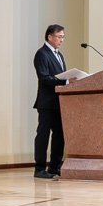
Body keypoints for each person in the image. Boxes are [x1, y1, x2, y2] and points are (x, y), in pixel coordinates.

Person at [33, 24, 69, 179]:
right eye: (59, 37)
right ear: (50, 37)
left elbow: (61, 75)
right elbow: (45, 77)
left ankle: (55, 166)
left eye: (62, 37)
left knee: (59, 135)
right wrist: (66, 82)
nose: (61, 40)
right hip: (47, 102)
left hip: (59, 102)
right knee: (43, 135)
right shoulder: (41, 54)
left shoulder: (59, 55)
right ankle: (40, 168)